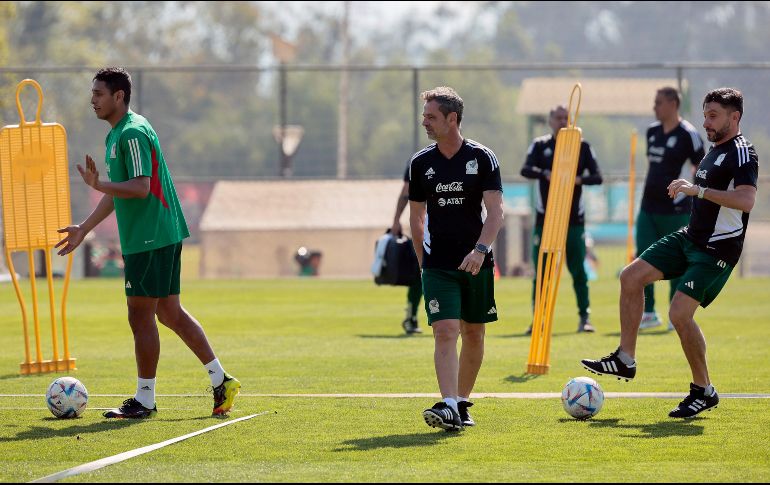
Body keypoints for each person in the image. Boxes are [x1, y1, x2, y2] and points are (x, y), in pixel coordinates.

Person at [56, 67, 241, 419]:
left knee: (140, 315)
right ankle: (222, 379)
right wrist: (84, 227)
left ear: (119, 96)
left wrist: (99, 185)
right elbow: (118, 193)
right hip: (157, 233)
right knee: (169, 311)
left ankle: (145, 399)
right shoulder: (117, 135)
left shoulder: (132, 133)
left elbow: (140, 187)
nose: (92, 99)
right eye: (92, 93)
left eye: (98, 93)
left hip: (151, 236)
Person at [581, 88, 758, 418]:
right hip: (690, 238)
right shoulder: (714, 150)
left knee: (679, 314)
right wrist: (690, 186)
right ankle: (625, 358)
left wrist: (698, 190)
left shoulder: (742, 153)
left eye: (713, 115)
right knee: (631, 277)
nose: (706, 121)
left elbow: (747, 201)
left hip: (716, 249)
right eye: (705, 114)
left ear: (735, 117)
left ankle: (703, 390)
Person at [408, 86, 504, 431]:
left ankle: (461, 402)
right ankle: (447, 404)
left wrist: (480, 251)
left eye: (431, 117)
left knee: (474, 333)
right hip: (438, 265)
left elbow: (495, 212)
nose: (425, 123)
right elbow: (416, 217)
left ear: (453, 119)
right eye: (424, 116)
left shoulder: (482, 158)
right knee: (445, 331)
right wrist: (423, 261)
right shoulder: (420, 163)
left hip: (477, 262)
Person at [521, 105, 603, 334]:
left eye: (565, 118)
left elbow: (597, 176)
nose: (562, 122)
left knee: (578, 269)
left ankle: (584, 317)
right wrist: (545, 174)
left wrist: (578, 180)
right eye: (557, 118)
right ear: (550, 121)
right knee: (542, 272)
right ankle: (539, 319)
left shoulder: (582, 145)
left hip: (573, 219)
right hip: (546, 219)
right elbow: (525, 170)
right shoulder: (540, 145)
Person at [638, 87, 705, 331]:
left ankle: (674, 315)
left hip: (676, 210)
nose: (654, 107)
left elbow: (701, 169)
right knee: (642, 257)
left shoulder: (689, 134)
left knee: (677, 260)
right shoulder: (652, 131)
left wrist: (693, 195)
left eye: (659, 103)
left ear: (673, 104)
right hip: (648, 207)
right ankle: (647, 312)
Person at [391, 164, 423, 334]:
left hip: (423, 229)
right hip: (430, 229)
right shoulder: (417, 160)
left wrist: (396, 220)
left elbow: (405, 192)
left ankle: (411, 317)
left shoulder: (418, 159)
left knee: (421, 274)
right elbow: (406, 192)